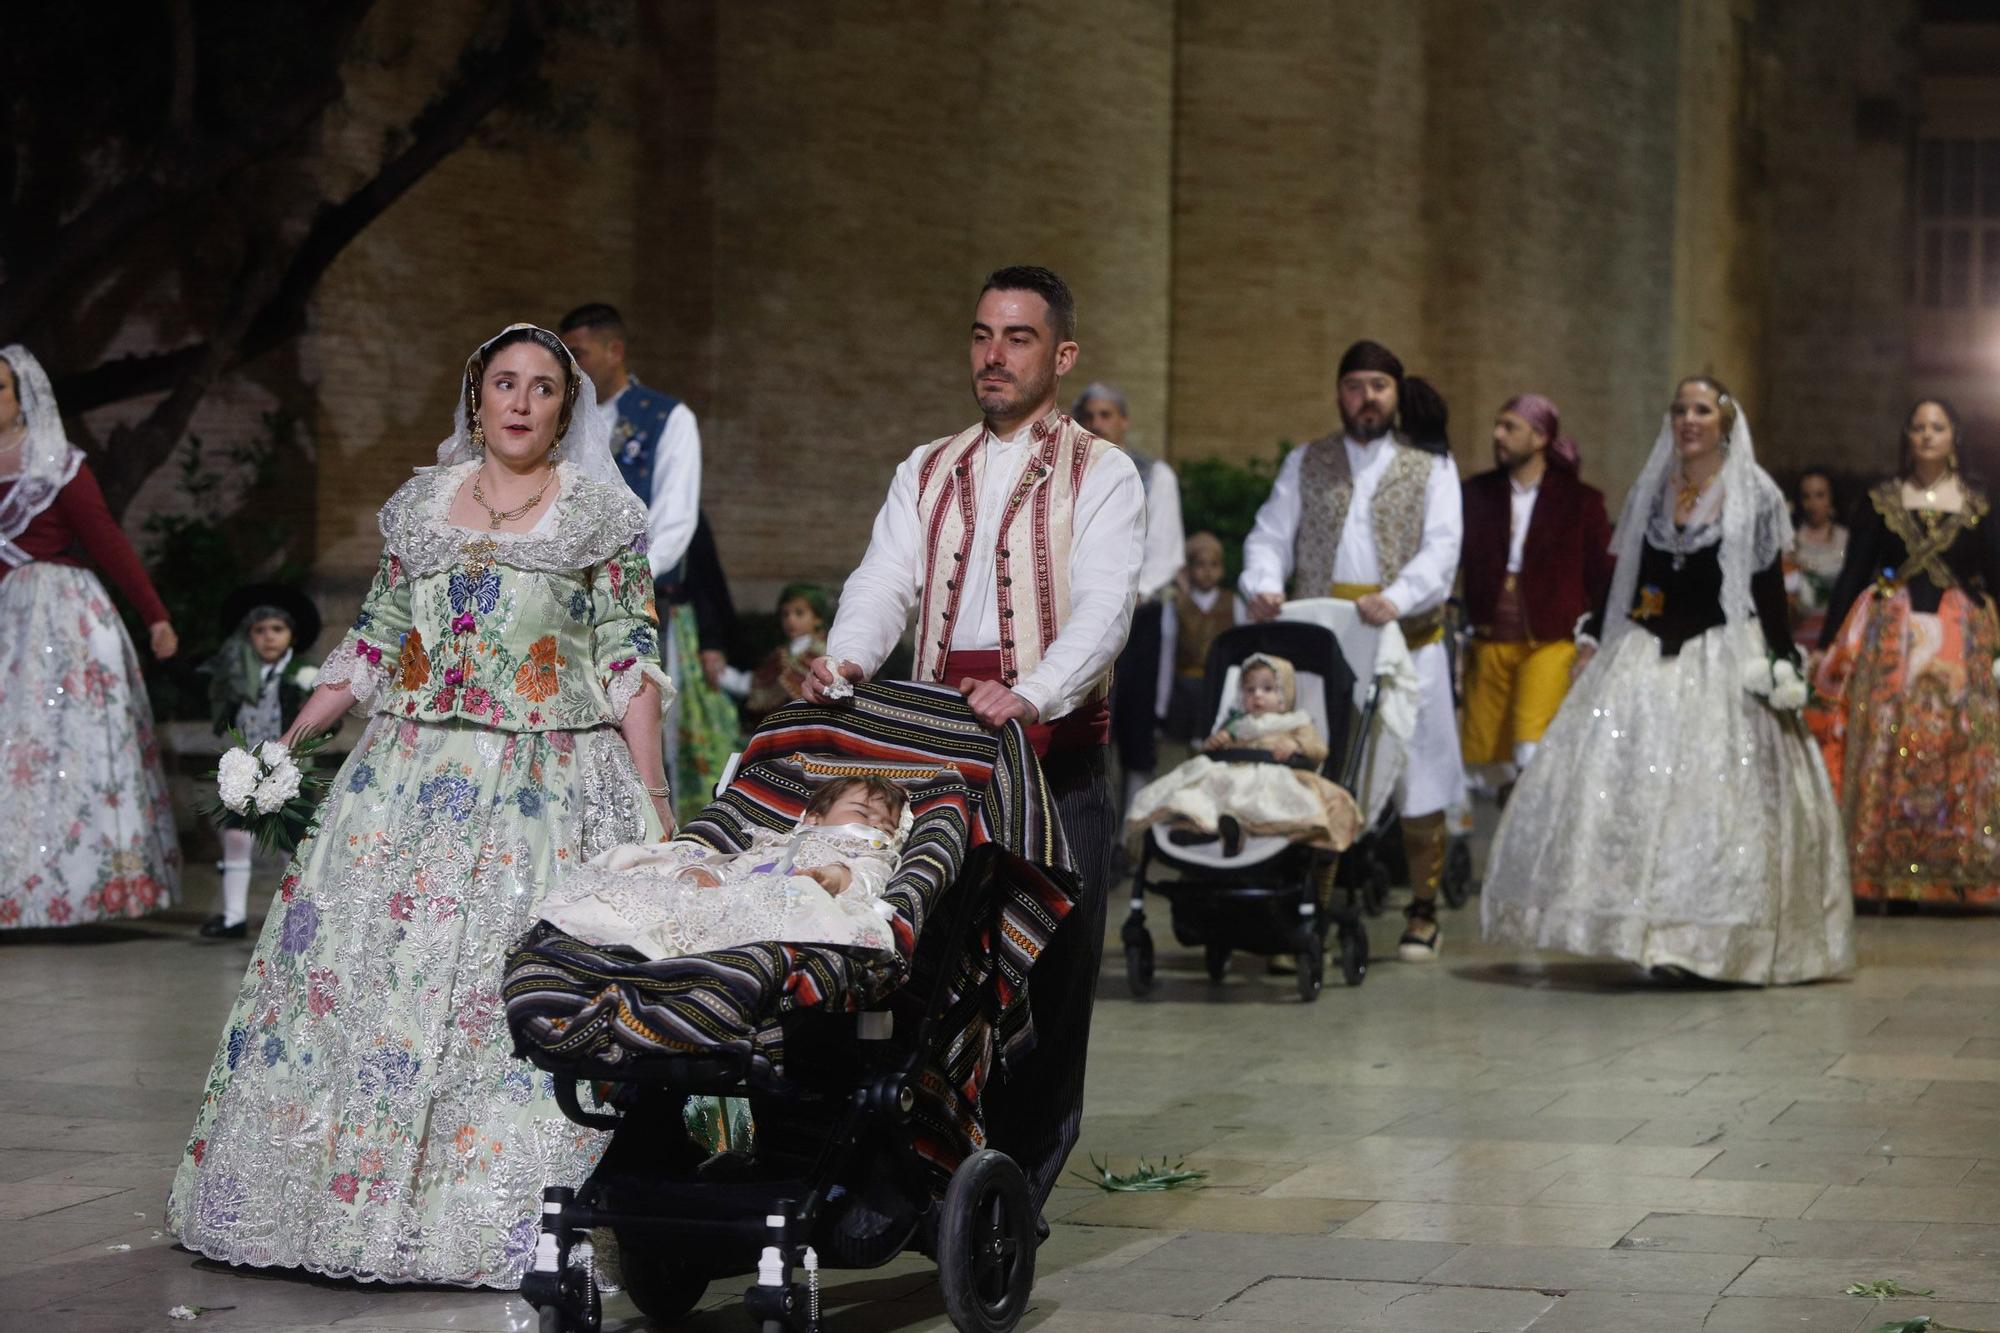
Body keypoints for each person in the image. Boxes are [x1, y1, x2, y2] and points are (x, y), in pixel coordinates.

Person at [167, 324, 675, 1287]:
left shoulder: (600, 517)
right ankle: (331, 1203)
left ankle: (505, 1211)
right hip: (401, 784)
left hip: (546, 786)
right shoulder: (419, 508)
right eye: (504, 384)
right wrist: (286, 745)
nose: (521, 402)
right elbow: (371, 643)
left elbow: (625, 660)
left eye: (542, 389)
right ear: (474, 397)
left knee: (506, 994)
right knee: (364, 981)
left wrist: (653, 804)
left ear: (567, 409)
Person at [802, 265, 1144, 1208]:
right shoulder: (928, 465)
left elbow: (1108, 607)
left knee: (1049, 977)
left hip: (1054, 758)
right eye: (982, 335)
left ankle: (1013, 1197)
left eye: (1019, 337)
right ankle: (903, 1164)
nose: (994, 355)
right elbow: (884, 580)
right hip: (937, 764)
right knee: (922, 960)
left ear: (1062, 354)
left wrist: (1032, 692)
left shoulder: (1102, 472)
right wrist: (848, 660)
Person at [1482, 376, 1854, 986]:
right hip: (1649, 653)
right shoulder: (1654, 487)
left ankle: (1708, 943)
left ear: (1724, 421)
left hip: (1723, 657)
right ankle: (1646, 934)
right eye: (1679, 409)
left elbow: (1765, 588)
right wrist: (1598, 636)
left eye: (1701, 410)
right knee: (1631, 797)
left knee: (1711, 808)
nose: (1687, 420)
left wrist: (1783, 661)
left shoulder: (1753, 493)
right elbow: (1628, 577)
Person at [1238, 339, 1464, 962]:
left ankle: (1423, 907)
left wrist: (1400, 595)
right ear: (1339, 393)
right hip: (1327, 644)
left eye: (1379, 387)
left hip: (1407, 644)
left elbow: (1443, 550)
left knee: (1419, 777)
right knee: (1320, 770)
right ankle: (1308, 909)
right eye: (1356, 385)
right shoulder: (1307, 462)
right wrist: (1262, 585)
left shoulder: (1431, 466)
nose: (1367, 397)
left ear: (1396, 394)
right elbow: (1269, 534)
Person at [0, 344, 180, 931]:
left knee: (63, 751)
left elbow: (106, 540)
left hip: (59, 620)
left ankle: (75, 892)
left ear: (22, 398)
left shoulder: (57, 463)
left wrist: (155, 615)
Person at [1808, 399, 2000, 909]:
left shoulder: (1979, 501)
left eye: (1937, 427)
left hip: (1959, 639)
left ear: (1954, 435)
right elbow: (1854, 574)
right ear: (1907, 438)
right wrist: (1827, 642)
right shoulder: (1880, 501)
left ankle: (1959, 872)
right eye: (1917, 428)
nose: (1927, 436)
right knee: (1887, 749)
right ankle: (1880, 874)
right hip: (1894, 640)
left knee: (1956, 749)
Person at [559, 303, 734, 820]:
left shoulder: (667, 418)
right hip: (566, 605)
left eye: (579, 353)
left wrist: (619, 586)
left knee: (643, 732)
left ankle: (653, 839)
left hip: (640, 603)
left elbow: (677, 522)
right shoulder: (561, 420)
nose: (570, 366)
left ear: (615, 351)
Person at [541, 775, 909, 961]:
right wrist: (709, 877)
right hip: (742, 891)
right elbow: (742, 867)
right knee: (673, 875)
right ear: (813, 818)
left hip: (804, 900)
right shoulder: (779, 842)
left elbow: (865, 881)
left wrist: (832, 878)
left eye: (886, 825)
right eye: (862, 814)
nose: (874, 826)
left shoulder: (871, 856)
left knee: (795, 902)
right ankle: (620, 940)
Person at [1458, 394, 1613, 789]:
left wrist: (1596, 637)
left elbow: (1603, 575)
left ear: (1541, 437)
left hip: (1550, 640)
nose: (1498, 435)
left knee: (1535, 751)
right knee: (1485, 761)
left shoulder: (1580, 501)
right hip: (1490, 642)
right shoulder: (1475, 494)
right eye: (1498, 425)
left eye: (1510, 427)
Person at [1125, 653, 1359, 856]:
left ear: (1283, 696)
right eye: (1250, 689)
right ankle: (1201, 829)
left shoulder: (1295, 721)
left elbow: (1318, 749)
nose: (1257, 695)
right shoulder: (1237, 725)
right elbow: (1213, 752)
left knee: (1265, 802)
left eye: (1267, 689)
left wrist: (1296, 745)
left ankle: (1233, 830)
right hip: (1233, 772)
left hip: (1272, 776)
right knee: (1205, 788)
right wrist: (1217, 742)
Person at [1074, 382, 1182, 809]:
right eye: (1089, 416)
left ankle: (1129, 837)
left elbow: (1166, 550)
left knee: (1135, 725)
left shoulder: (1154, 474)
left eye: (1106, 415)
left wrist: (1134, 595)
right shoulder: (1067, 475)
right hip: (1079, 619)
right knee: (1088, 726)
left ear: (1123, 421)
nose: (1097, 424)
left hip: (1137, 622)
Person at [197, 584, 326, 939]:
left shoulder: (302, 675)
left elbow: (327, 717)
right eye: (259, 630)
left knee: (290, 844)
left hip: (290, 774)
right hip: (247, 771)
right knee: (236, 838)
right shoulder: (241, 676)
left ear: (292, 635)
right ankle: (233, 915)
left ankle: (295, 913)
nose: (268, 638)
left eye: (277, 630)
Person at [1160, 530, 1246, 740]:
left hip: (1220, 686)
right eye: (1200, 564)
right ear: (1189, 569)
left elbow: (1243, 648)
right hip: (1184, 688)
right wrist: (1161, 703)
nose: (1207, 571)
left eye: (1214, 565)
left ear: (1222, 569)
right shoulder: (1177, 605)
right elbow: (1167, 653)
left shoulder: (1233, 602)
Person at [721, 581, 832, 727]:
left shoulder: (827, 651)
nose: (790, 620)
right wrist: (721, 674)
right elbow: (754, 683)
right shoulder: (780, 655)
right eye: (785, 614)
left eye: (799, 613)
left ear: (818, 618)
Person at [1786, 467, 1848, 652]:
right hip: (1799, 633)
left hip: (1837, 633)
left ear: (1831, 498)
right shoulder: (1791, 541)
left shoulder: (1846, 539)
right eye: (1807, 496)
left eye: (1820, 495)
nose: (1813, 503)